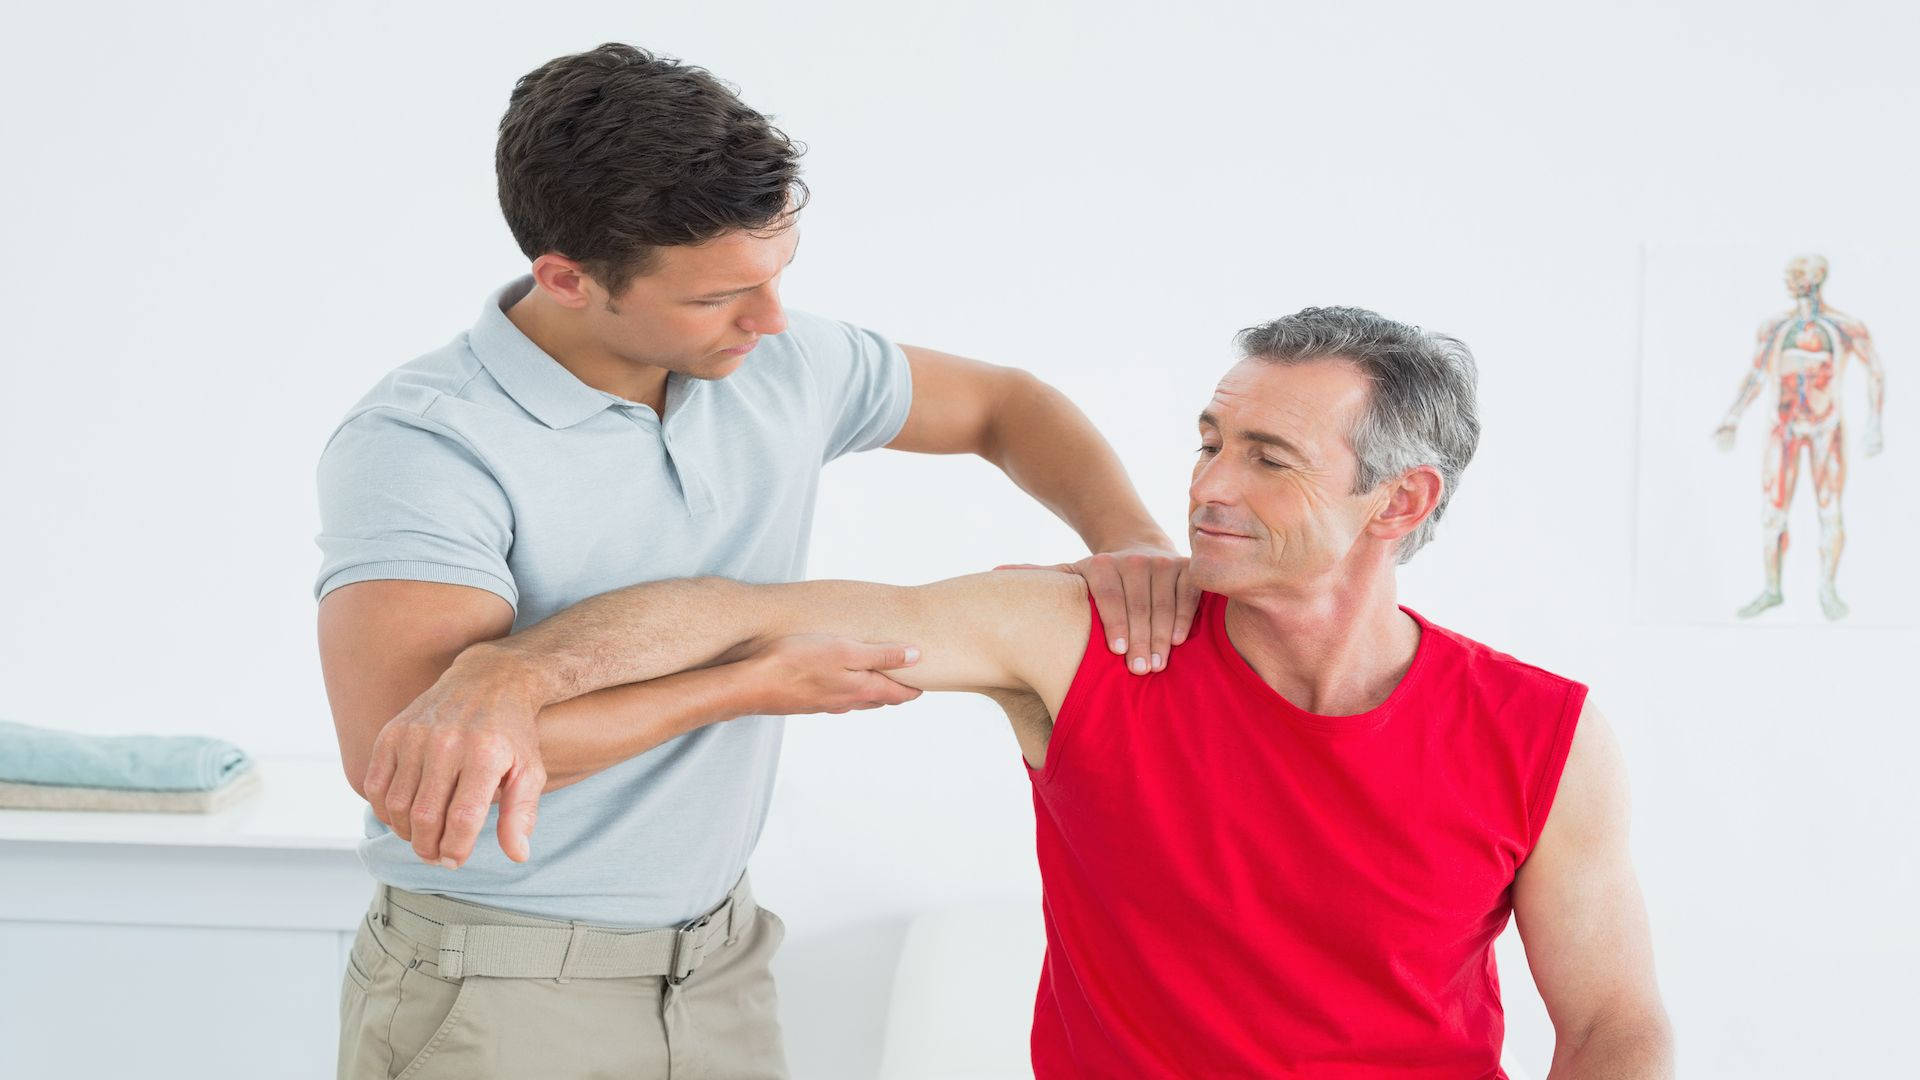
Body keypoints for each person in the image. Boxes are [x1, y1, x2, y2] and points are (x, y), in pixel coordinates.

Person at [378, 306, 1675, 1077]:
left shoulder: (1544, 735)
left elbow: (1613, 1022)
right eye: (1209, 440)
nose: (1208, 486)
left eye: (1267, 458)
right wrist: (507, 669)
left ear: (1400, 502)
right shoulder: (1083, 639)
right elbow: (750, 613)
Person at [316, 43, 1192, 1080]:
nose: (769, 319)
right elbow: (411, 759)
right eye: (718, 296)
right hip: (498, 988)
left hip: (719, 961)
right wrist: (743, 687)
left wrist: (1129, 537)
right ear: (568, 279)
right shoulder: (427, 443)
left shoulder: (775, 357)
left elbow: (1007, 406)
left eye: (777, 273)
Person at [1713, 253, 1886, 620]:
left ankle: (1827, 589)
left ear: (1814, 280)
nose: (1788, 280)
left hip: (1826, 427)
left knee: (1830, 509)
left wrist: (1875, 423)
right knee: (1773, 511)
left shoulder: (1844, 326)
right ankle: (1773, 589)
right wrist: (1733, 416)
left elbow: (1875, 371)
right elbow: (1757, 375)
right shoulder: (1775, 326)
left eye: (1795, 275)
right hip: (1783, 427)